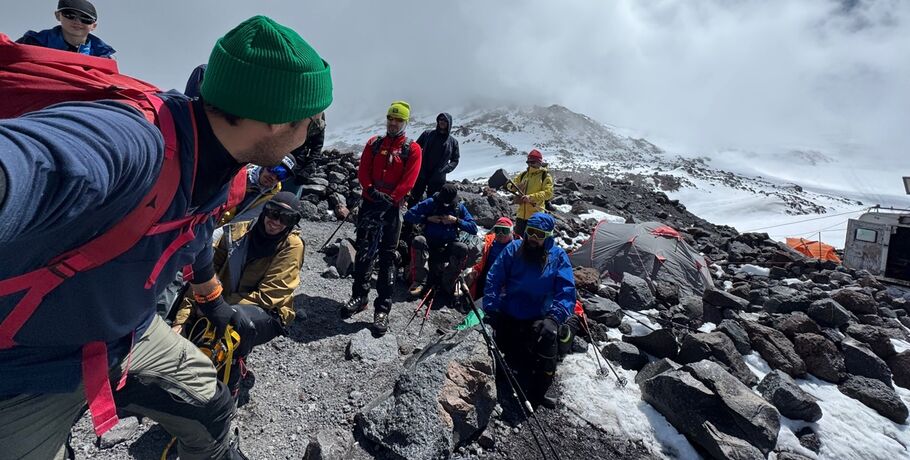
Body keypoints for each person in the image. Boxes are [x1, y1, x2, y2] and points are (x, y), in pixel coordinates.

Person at [0, 16, 332, 460]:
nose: (309, 135)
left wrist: (213, 302)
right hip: (25, 372)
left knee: (212, 409)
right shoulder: (134, 139)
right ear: (275, 120)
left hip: (128, 335)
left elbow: (191, 232)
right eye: (310, 121)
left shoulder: (215, 159)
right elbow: (34, 163)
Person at [172, 192, 304, 400]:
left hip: (266, 312)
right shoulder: (236, 234)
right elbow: (202, 277)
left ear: (292, 223)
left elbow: (269, 296)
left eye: (286, 218)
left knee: (235, 323)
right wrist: (182, 319)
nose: (276, 222)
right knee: (192, 315)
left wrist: (216, 307)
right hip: (222, 301)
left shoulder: (291, 246)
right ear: (264, 210)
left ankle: (227, 390)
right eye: (273, 212)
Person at [341, 101, 422, 336]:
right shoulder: (374, 143)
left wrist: (394, 197)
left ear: (405, 122)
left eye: (398, 119)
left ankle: (383, 309)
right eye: (390, 118)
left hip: (392, 209)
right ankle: (359, 296)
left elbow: (410, 178)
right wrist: (369, 190)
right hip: (370, 203)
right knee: (365, 251)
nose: (393, 123)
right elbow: (363, 169)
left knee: (387, 257)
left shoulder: (412, 149)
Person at [483, 212, 575, 409]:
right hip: (508, 312)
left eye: (540, 235)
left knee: (547, 347)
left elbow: (566, 291)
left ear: (549, 236)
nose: (534, 238)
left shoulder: (558, 257)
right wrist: (492, 309)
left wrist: (554, 318)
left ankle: (538, 393)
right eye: (531, 232)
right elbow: (494, 278)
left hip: (539, 317)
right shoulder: (514, 248)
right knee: (502, 353)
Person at [404, 184, 477, 308]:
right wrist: (427, 219)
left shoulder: (459, 207)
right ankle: (419, 282)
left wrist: (456, 221)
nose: (446, 205)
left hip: (448, 245)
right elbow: (408, 215)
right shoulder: (431, 202)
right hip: (430, 243)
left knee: (462, 248)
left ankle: (448, 283)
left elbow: (473, 228)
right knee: (418, 240)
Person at [17, 0, 115, 58]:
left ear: (94, 26)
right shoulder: (31, 42)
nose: (77, 22)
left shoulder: (103, 56)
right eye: (70, 15)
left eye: (86, 19)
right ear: (58, 16)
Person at [218, 156, 295, 226]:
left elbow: (241, 221)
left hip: (224, 225)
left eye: (281, 176)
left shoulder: (270, 197)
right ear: (265, 164)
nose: (273, 177)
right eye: (273, 169)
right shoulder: (241, 169)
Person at [411, 113, 459, 204]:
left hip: (438, 177)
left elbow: (455, 160)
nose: (442, 122)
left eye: (445, 120)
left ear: (449, 123)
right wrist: (416, 164)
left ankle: (429, 218)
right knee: (414, 197)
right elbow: (415, 149)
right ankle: (410, 216)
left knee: (433, 200)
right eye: (441, 119)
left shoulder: (453, 142)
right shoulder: (427, 134)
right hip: (422, 172)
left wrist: (445, 169)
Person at [505, 149, 554, 237]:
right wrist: (513, 187)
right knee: (518, 241)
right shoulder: (523, 175)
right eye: (528, 162)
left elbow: (548, 193)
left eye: (532, 162)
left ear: (539, 162)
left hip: (536, 216)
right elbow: (511, 185)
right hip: (520, 216)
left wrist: (531, 197)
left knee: (532, 242)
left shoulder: (545, 176)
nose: (530, 164)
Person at [466, 217, 515, 300]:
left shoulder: (517, 248)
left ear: (512, 232)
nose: (501, 233)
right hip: (485, 277)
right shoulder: (489, 243)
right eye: (497, 230)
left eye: (505, 230)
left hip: (503, 283)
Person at [282, 113, 327, 197]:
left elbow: (316, 149)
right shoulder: (289, 108)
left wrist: (307, 171)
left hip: (295, 168)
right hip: (276, 162)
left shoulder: (318, 121)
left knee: (287, 201)